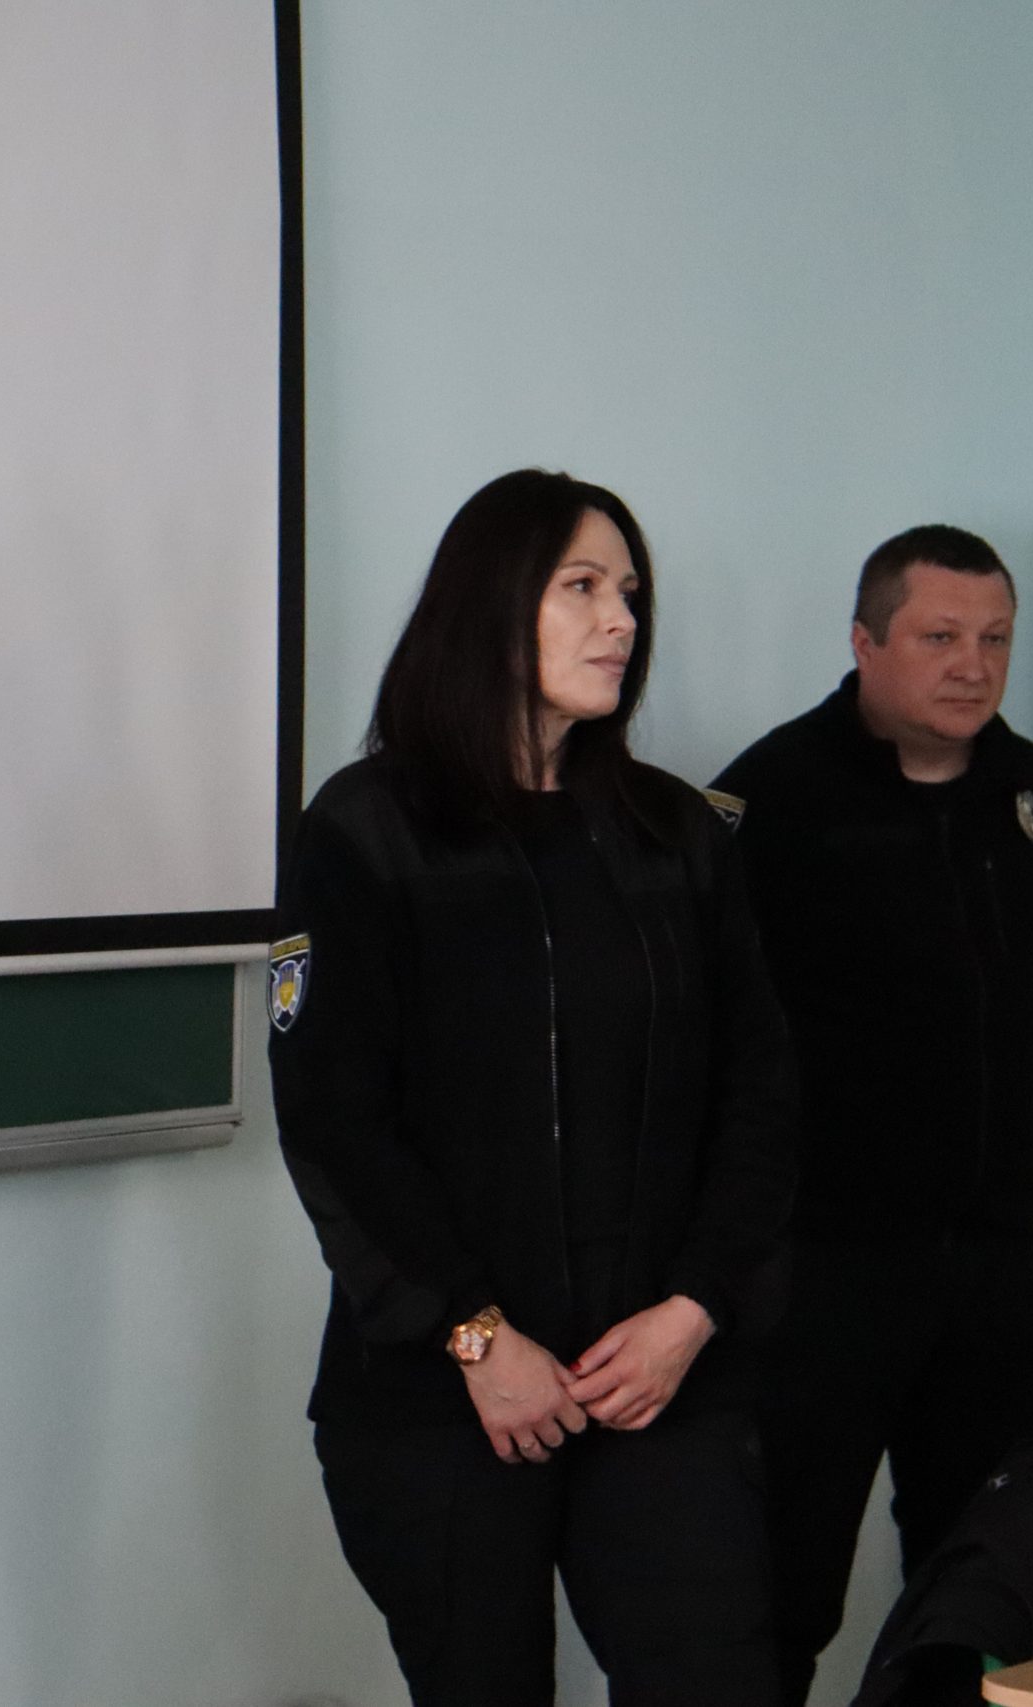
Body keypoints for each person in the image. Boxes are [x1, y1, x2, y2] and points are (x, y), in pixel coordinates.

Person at [270, 470, 796, 1706]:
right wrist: (471, 1332)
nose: (622, 621)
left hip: (658, 1379)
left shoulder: (677, 833)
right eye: (582, 587)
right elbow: (335, 1118)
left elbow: (761, 1093)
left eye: (629, 593)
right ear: (492, 606)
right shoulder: (366, 829)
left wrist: (694, 1310)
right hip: (446, 1396)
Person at [712, 523, 1033, 1707]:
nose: (972, 666)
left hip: (992, 1268)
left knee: (992, 1592)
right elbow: (715, 1044)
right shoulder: (768, 801)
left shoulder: (1032, 794)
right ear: (864, 643)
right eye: (938, 637)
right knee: (774, 1591)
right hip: (819, 1272)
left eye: (995, 640)